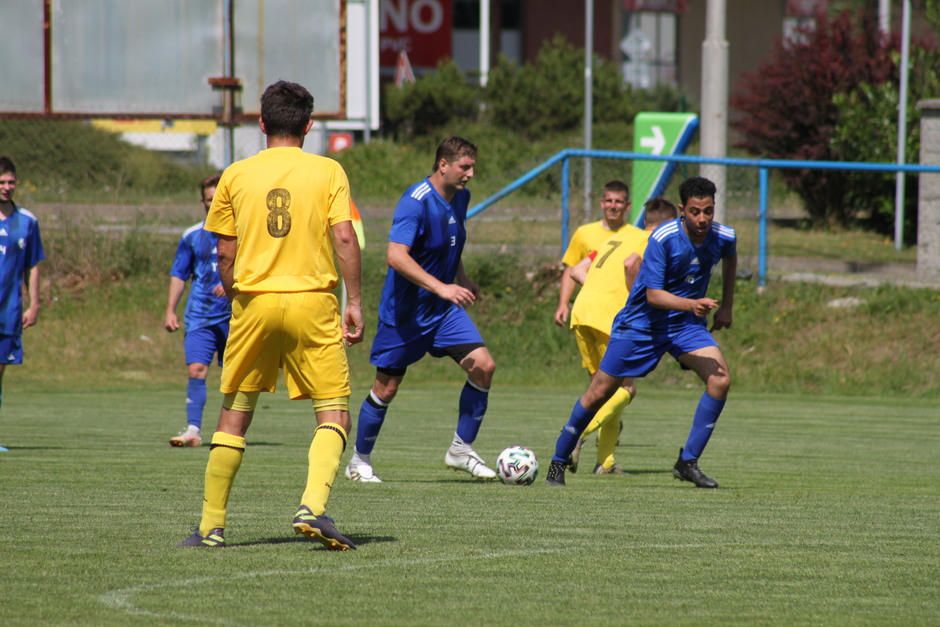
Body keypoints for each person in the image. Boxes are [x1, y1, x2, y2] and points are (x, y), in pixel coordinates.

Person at [178, 80, 363, 550]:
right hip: (312, 303)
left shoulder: (235, 175)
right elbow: (344, 237)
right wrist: (356, 302)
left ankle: (210, 529)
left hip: (254, 304)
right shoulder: (328, 171)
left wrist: (238, 296)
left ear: (261, 123)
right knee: (334, 412)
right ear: (309, 126)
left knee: (234, 416)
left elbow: (224, 251)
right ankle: (312, 506)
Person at [546, 177, 736, 488]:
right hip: (641, 324)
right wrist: (692, 304)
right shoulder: (663, 238)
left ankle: (688, 462)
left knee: (720, 380)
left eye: (708, 211)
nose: (702, 219)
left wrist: (727, 305)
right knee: (599, 392)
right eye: (695, 212)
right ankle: (558, 461)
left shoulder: (724, 236)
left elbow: (730, 256)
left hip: (684, 325)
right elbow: (653, 296)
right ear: (682, 210)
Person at [344, 136, 497, 483]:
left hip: (443, 311)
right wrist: (443, 286)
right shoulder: (416, 202)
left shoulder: (461, 197)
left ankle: (460, 450)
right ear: (443, 164)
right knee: (386, 389)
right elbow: (395, 255)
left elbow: (452, 243)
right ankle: (359, 461)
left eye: (473, 166)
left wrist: (462, 278)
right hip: (405, 314)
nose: (471, 174)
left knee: (483, 366)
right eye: (465, 167)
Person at [565, 198, 678, 475]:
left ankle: (605, 462)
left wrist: (598, 289)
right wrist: (638, 303)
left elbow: (577, 270)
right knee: (626, 389)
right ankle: (576, 435)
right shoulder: (655, 242)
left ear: (645, 220)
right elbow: (631, 265)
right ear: (670, 224)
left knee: (604, 390)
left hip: (583, 310)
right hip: (609, 316)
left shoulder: (619, 236)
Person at [164, 174, 231, 447]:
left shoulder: (245, 233)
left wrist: (232, 284)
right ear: (202, 202)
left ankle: (230, 433)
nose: (213, 204)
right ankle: (193, 430)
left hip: (235, 316)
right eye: (208, 199)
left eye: (218, 199)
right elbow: (179, 274)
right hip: (200, 315)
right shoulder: (192, 235)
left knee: (235, 377)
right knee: (196, 369)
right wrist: (170, 310)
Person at [0, 156, 45, 453]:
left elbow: (33, 265)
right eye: (1, 182)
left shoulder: (27, 221)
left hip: (8, 311)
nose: (7, 187)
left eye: (11, 182)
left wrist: (34, 303)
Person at [553, 180, 631, 327]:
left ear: (627, 206)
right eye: (609, 201)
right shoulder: (584, 233)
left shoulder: (633, 236)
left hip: (620, 311)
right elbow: (571, 269)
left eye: (619, 202)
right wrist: (563, 304)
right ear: (602, 203)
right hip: (589, 311)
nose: (613, 206)